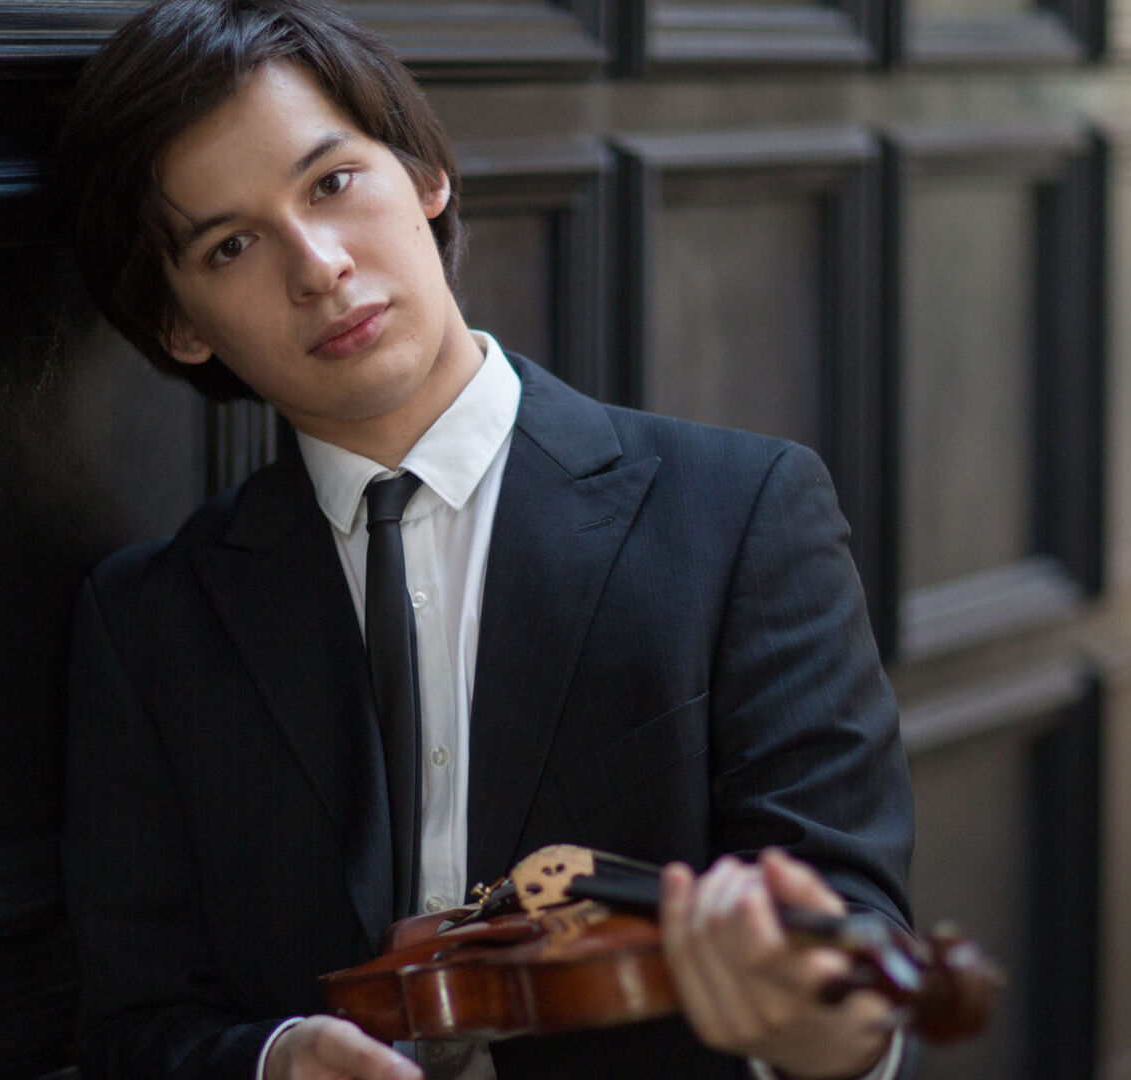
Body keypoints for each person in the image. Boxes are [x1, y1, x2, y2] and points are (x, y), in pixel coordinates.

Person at [55, 2, 915, 1077]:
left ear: (426, 176)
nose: (317, 266)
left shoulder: (743, 512)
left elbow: (856, 949)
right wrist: (272, 1062)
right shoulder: (148, 620)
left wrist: (813, 1022)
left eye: (332, 183)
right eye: (232, 245)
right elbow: (135, 1026)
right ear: (179, 324)